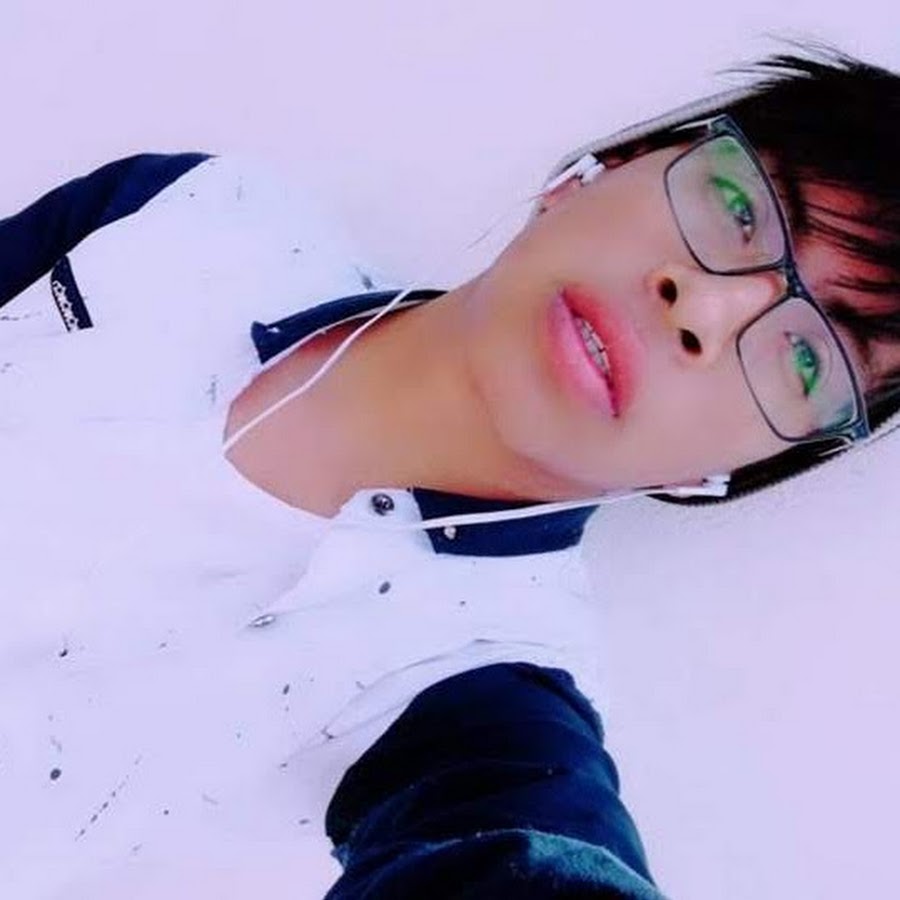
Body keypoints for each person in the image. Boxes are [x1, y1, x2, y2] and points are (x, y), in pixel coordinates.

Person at [0, 44, 897, 897]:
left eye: (806, 359)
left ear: (729, 472)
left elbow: (519, 853)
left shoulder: (487, 685)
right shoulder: (194, 212)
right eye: (740, 208)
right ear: (601, 170)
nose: (703, 307)